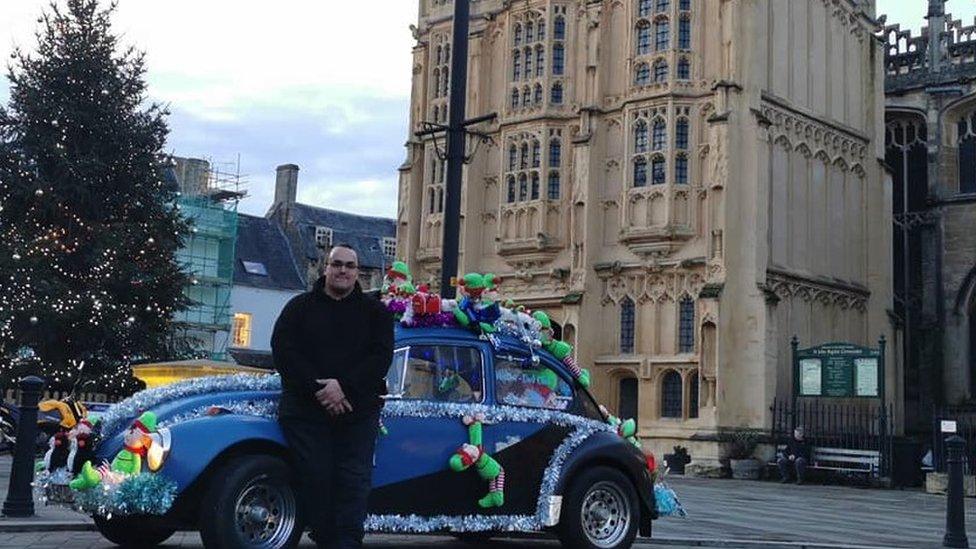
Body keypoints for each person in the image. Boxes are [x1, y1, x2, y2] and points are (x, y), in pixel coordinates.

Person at [272, 244, 394, 549]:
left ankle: (348, 541)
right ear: (325, 268)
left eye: (350, 266)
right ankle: (326, 536)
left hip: (358, 410)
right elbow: (285, 352)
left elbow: (380, 358)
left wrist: (344, 387)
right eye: (336, 264)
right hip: (306, 412)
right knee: (315, 477)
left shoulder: (375, 313)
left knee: (353, 480)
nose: (343, 270)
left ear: (357, 272)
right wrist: (320, 389)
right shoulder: (298, 308)